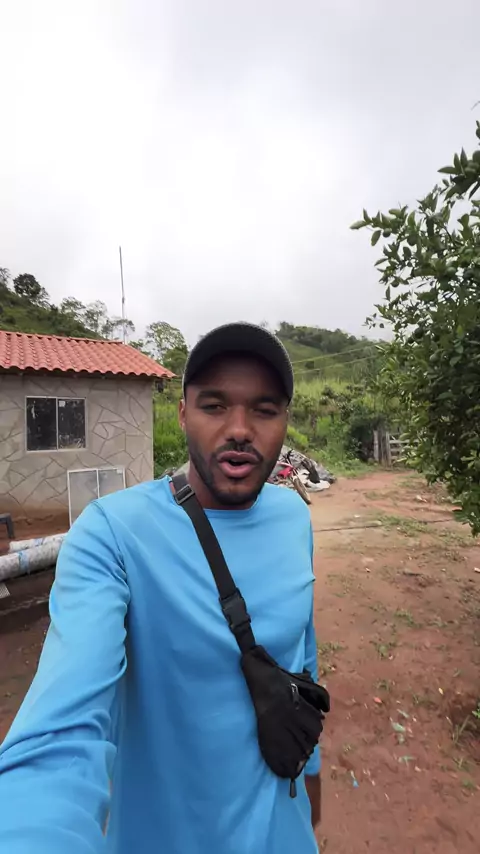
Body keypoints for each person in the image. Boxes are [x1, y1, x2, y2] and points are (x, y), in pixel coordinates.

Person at [0, 322, 323, 854]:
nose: (239, 429)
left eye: (264, 410)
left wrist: (311, 777)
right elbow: (60, 729)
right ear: (181, 413)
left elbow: (301, 658)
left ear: (285, 420)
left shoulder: (294, 517)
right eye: (214, 406)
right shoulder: (113, 534)